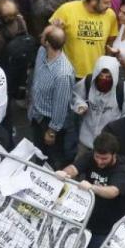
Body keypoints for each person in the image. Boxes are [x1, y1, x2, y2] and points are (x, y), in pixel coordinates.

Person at [58, 132, 125, 248]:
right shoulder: (89, 157)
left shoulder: (122, 168)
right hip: (89, 219)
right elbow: (74, 168)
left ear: (114, 155)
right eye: (97, 157)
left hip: (110, 225)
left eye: (104, 158)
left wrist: (92, 188)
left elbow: (113, 191)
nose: (99, 161)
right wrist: (64, 173)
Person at [29, 25, 76, 168]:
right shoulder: (41, 52)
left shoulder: (63, 74)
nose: (40, 36)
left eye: (43, 35)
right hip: (36, 115)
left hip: (49, 123)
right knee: (38, 153)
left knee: (50, 160)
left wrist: (52, 131)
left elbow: (60, 106)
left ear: (48, 42)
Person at [50, 0, 118, 80]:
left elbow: (110, 43)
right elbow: (47, 40)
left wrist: (106, 68)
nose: (109, 5)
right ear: (93, 0)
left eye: (110, 2)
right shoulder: (66, 10)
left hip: (96, 76)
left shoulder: (110, 15)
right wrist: (56, 31)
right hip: (67, 74)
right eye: (105, 2)